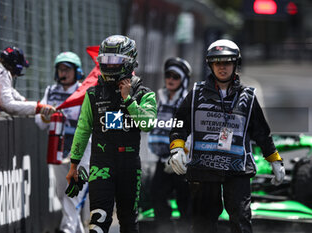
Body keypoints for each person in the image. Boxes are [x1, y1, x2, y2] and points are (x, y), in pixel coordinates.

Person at [169, 39, 286, 233]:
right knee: (202, 225)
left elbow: (262, 133)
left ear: (236, 64)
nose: (222, 67)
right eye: (217, 63)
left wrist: (275, 160)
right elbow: (178, 123)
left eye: (227, 62)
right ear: (210, 65)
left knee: (241, 220)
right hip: (203, 168)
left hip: (237, 169)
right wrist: (177, 148)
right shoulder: (196, 94)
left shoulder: (248, 97)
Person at [66, 35, 157, 233]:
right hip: (101, 163)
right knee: (98, 220)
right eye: (105, 60)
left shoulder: (144, 93)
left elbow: (148, 123)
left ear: (129, 61)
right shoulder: (93, 93)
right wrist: (74, 165)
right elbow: (82, 130)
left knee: (128, 222)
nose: (109, 65)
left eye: (114, 60)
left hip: (130, 164)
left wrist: (128, 99)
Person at [35, 51, 90, 233]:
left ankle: (66, 230)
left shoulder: (86, 91)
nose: (63, 73)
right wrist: (46, 116)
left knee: (73, 193)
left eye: (67, 69)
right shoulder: (50, 91)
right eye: (60, 69)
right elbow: (40, 123)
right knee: (61, 192)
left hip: (82, 150)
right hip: (58, 149)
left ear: (77, 71)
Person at [148, 57, 192, 232]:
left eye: (176, 76)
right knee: (156, 194)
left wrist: (180, 154)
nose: (171, 80)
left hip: (182, 161)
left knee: (185, 200)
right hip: (163, 160)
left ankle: (185, 229)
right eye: (168, 75)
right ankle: (165, 229)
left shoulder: (187, 101)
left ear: (183, 80)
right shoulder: (160, 99)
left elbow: (191, 132)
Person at [0, 46, 55, 116]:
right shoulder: (2, 74)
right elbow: (8, 105)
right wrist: (38, 108)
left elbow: (9, 90)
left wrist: (23, 101)